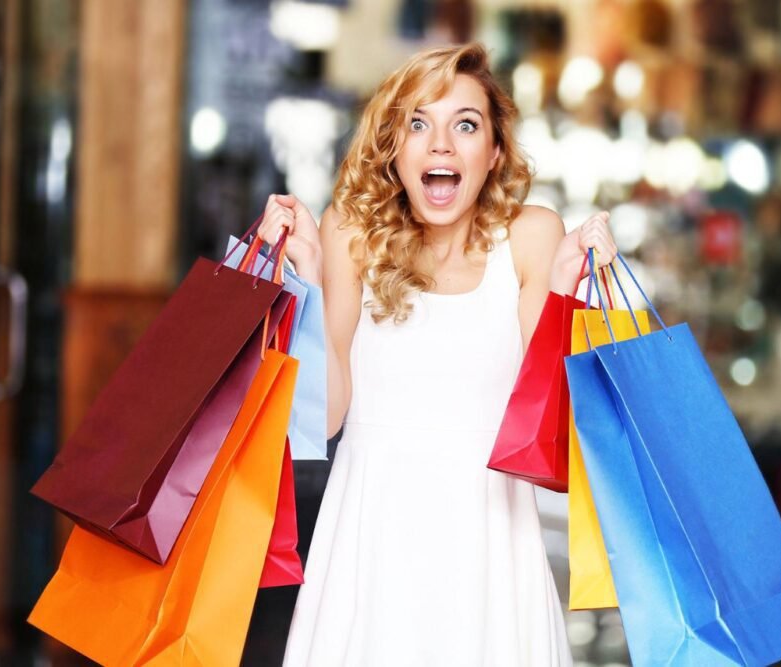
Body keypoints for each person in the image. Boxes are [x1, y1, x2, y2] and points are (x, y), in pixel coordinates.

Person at [256, 42, 617, 666]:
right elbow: (324, 419)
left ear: (494, 151)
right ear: (395, 145)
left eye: (465, 125)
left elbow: (550, 421)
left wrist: (566, 290)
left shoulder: (532, 237)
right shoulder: (349, 231)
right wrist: (308, 282)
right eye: (418, 123)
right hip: (372, 548)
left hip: (489, 549)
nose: (441, 144)